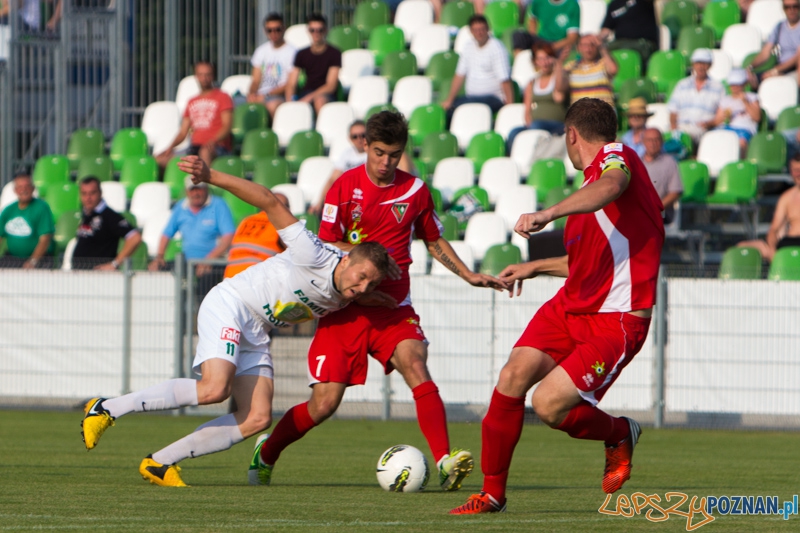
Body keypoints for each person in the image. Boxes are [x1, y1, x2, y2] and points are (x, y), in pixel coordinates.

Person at [80, 155, 391, 487]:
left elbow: (353, 269)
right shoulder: (312, 253)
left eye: (370, 284)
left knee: (257, 418)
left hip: (256, 329)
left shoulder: (351, 285)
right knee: (214, 389)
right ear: (347, 262)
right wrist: (210, 175)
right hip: (232, 303)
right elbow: (269, 200)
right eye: (361, 278)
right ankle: (106, 407)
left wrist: (378, 293)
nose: (361, 289)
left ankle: (160, 462)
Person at [249, 110, 507, 491]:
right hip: (347, 309)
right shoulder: (343, 188)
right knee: (323, 405)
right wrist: (372, 263)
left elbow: (432, 238)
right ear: (365, 146)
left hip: (393, 310)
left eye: (395, 154)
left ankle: (445, 461)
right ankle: (267, 453)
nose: (387, 163)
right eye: (380, 153)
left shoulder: (415, 191)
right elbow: (324, 244)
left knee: (416, 364)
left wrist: (467, 274)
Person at [450, 98, 665, 515]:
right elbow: (585, 265)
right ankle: (491, 495)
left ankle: (620, 432)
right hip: (570, 307)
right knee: (512, 377)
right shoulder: (587, 193)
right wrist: (534, 267)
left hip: (616, 318)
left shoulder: (616, 158)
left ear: (571, 135)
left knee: (548, 405)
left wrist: (548, 212)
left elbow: (614, 184)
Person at [148, 176, 235, 297]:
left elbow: (229, 236)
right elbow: (166, 234)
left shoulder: (218, 205)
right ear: (186, 191)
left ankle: (201, 313)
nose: (196, 193)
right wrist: (159, 257)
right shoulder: (180, 207)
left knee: (206, 279)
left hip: (214, 261)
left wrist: (209, 260)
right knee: (158, 270)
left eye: (199, 189)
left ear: (206, 189)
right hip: (188, 261)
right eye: (192, 189)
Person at [155, 61, 234, 168]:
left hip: (217, 147)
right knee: (159, 159)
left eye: (207, 75)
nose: (204, 78)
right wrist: (170, 148)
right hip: (194, 147)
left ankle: (204, 184)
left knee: (205, 152)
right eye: (201, 75)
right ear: (196, 76)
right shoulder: (192, 101)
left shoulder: (223, 97)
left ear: (213, 76)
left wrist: (213, 141)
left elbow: (227, 126)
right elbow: (183, 132)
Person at [441, 15, 513, 119]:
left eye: (482, 29)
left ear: (487, 29)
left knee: (467, 110)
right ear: (471, 31)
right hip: (471, 97)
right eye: (476, 30)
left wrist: (509, 105)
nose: (479, 33)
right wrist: (449, 100)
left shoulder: (497, 48)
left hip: (493, 98)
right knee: (450, 110)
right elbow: (459, 75)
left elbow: (504, 78)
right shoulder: (468, 47)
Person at [506, 41, 567, 153]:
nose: (544, 63)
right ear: (535, 62)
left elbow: (559, 96)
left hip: (557, 124)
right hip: (535, 124)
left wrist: (558, 66)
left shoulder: (559, 78)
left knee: (536, 125)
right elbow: (527, 110)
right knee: (514, 132)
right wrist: (530, 124)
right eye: (540, 59)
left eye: (547, 58)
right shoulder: (532, 83)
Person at [738, 153, 800, 261]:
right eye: (795, 170)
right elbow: (774, 230)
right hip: (787, 244)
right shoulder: (786, 198)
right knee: (743, 246)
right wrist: (772, 249)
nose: (798, 174)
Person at [71, 176, 142, 270]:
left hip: (99, 277)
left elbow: (135, 238)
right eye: (84, 194)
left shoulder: (109, 216)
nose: (88, 198)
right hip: (80, 273)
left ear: (100, 193)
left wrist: (114, 264)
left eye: (92, 193)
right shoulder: (87, 214)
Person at [223, 192, 289, 279]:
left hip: (231, 277)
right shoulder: (280, 224)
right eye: (285, 206)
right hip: (255, 280)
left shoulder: (246, 220)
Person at [285, 13, 341, 114]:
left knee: (319, 100)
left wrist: (309, 97)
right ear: (308, 31)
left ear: (326, 30)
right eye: (312, 30)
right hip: (306, 92)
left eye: (320, 30)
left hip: (326, 95)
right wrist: (290, 102)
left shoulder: (334, 53)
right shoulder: (302, 54)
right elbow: (291, 83)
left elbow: (331, 85)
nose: (316, 33)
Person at [667, 48, 725, 146]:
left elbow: (721, 115)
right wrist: (674, 128)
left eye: (704, 63)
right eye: (698, 63)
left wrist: (708, 124)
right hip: (681, 127)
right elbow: (673, 110)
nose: (701, 67)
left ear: (710, 65)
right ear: (693, 64)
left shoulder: (718, 87)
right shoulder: (682, 85)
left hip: (704, 130)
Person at [310, 120, 368, 215]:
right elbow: (333, 179)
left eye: (363, 135)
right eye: (355, 136)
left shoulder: (374, 154)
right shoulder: (347, 154)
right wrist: (319, 202)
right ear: (350, 138)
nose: (359, 139)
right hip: (349, 198)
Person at [247, 13, 296, 119]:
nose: (273, 33)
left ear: (283, 29)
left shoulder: (292, 52)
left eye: (277, 29)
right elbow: (255, 80)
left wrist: (266, 95)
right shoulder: (261, 51)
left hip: (279, 95)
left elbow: (289, 83)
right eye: (269, 30)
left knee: (272, 106)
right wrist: (251, 94)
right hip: (261, 94)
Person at [0, 174, 54, 269]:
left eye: (27, 186)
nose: (24, 190)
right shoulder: (8, 210)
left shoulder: (42, 208)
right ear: (15, 190)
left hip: (39, 260)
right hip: (13, 258)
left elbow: (45, 239)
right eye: (20, 187)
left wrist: (33, 261)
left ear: (33, 189)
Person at [711, 69, 761, 159]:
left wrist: (745, 101)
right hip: (727, 128)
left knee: (741, 142)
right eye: (732, 85)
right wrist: (724, 117)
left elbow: (757, 117)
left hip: (744, 129)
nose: (735, 88)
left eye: (738, 85)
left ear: (744, 84)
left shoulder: (752, 97)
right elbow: (716, 121)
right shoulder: (725, 100)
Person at [747, 0, 800, 82]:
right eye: (787, 7)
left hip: (795, 70)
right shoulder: (779, 27)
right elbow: (765, 52)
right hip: (780, 67)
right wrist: (750, 67)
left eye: (795, 6)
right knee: (749, 79)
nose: (791, 10)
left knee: (772, 79)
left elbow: (797, 57)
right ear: (783, 9)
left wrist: (775, 70)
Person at [559, 34, 618, 107]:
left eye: (592, 45)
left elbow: (613, 70)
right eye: (585, 45)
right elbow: (560, 88)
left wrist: (602, 48)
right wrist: (559, 62)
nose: (588, 48)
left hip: (602, 112)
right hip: (580, 113)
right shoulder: (571, 66)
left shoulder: (603, 63)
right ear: (578, 48)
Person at [642, 128, 683, 225]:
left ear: (662, 141)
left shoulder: (670, 162)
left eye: (656, 139)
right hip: (640, 213)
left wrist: (655, 208)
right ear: (643, 142)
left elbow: (675, 192)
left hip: (661, 214)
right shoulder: (637, 162)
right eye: (649, 140)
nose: (653, 143)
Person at [599, 0, 659, 66]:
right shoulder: (614, 4)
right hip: (620, 43)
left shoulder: (643, 2)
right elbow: (606, 30)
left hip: (642, 43)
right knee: (596, 51)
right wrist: (594, 42)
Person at [512, 0, 580, 56]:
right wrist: (533, 37)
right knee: (518, 35)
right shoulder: (539, 2)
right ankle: (519, 64)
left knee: (562, 52)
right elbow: (532, 19)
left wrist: (551, 47)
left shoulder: (572, 5)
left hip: (559, 43)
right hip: (541, 40)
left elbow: (572, 37)